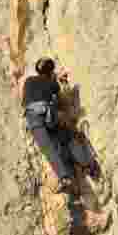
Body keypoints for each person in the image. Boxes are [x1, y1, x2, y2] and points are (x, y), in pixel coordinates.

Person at [22, 57, 74, 192]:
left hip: (34, 116)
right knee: (58, 137)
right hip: (49, 114)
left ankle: (64, 177)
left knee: (47, 147)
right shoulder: (52, 83)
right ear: (51, 71)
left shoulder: (29, 81)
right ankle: (75, 160)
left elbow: (25, 100)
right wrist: (61, 81)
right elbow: (61, 100)